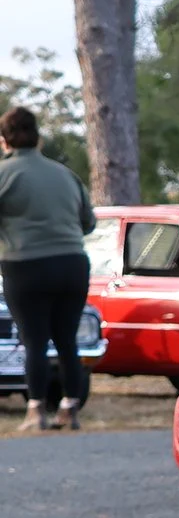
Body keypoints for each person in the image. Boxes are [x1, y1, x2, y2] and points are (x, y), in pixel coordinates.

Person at [0, 105, 97, 432]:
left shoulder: (4, 174)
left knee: (35, 341)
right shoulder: (65, 174)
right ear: (39, 139)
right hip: (73, 264)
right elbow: (88, 223)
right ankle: (70, 409)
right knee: (67, 340)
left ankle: (36, 411)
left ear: (4, 141)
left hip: (26, 266)